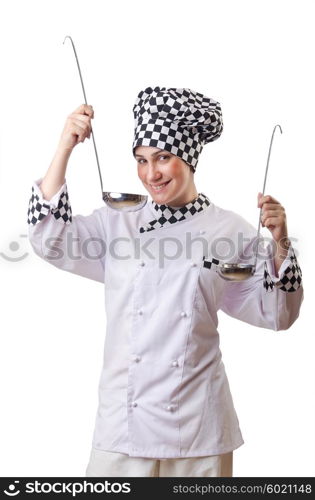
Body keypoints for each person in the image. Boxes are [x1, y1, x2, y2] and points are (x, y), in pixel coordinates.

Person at [27, 87, 304, 477]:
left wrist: (280, 243)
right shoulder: (117, 221)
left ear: (188, 159)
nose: (150, 174)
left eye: (163, 158)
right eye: (141, 160)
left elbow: (277, 314)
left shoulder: (231, 230)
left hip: (198, 427)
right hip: (123, 423)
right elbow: (49, 240)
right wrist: (65, 147)